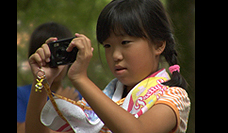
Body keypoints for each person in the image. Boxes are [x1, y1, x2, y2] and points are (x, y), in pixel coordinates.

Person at [26, 0, 191, 133]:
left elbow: (137, 130)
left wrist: (80, 79)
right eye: (107, 46)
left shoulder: (174, 96)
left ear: (158, 45)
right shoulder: (106, 98)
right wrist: (41, 81)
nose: (115, 55)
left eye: (125, 42)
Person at [17, 22, 82, 133]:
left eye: (60, 54)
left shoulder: (78, 97)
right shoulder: (20, 94)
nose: (53, 61)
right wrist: (59, 106)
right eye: (47, 54)